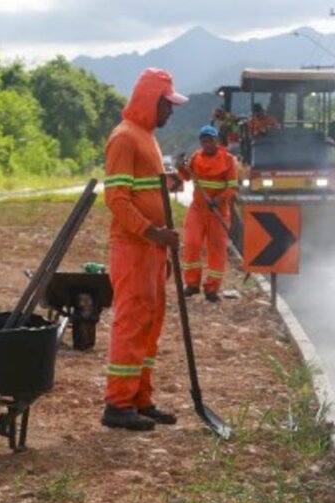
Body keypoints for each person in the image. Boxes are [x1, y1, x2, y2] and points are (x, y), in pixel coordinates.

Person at [100, 68, 188, 431]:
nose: (171, 111)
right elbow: (117, 200)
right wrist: (152, 233)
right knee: (132, 324)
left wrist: (168, 182)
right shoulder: (124, 138)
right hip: (134, 249)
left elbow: (142, 187)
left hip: (151, 250)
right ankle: (118, 404)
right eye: (167, 104)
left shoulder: (146, 137)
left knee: (150, 326)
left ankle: (140, 399)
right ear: (151, 100)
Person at [176, 125, 239, 303]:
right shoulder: (196, 157)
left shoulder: (228, 160)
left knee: (216, 250)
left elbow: (232, 186)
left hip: (218, 211)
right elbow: (187, 177)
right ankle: (192, 284)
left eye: (210, 140)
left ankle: (212, 288)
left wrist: (219, 199)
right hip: (198, 210)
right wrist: (180, 166)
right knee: (191, 243)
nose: (207, 144)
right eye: (204, 141)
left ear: (216, 141)